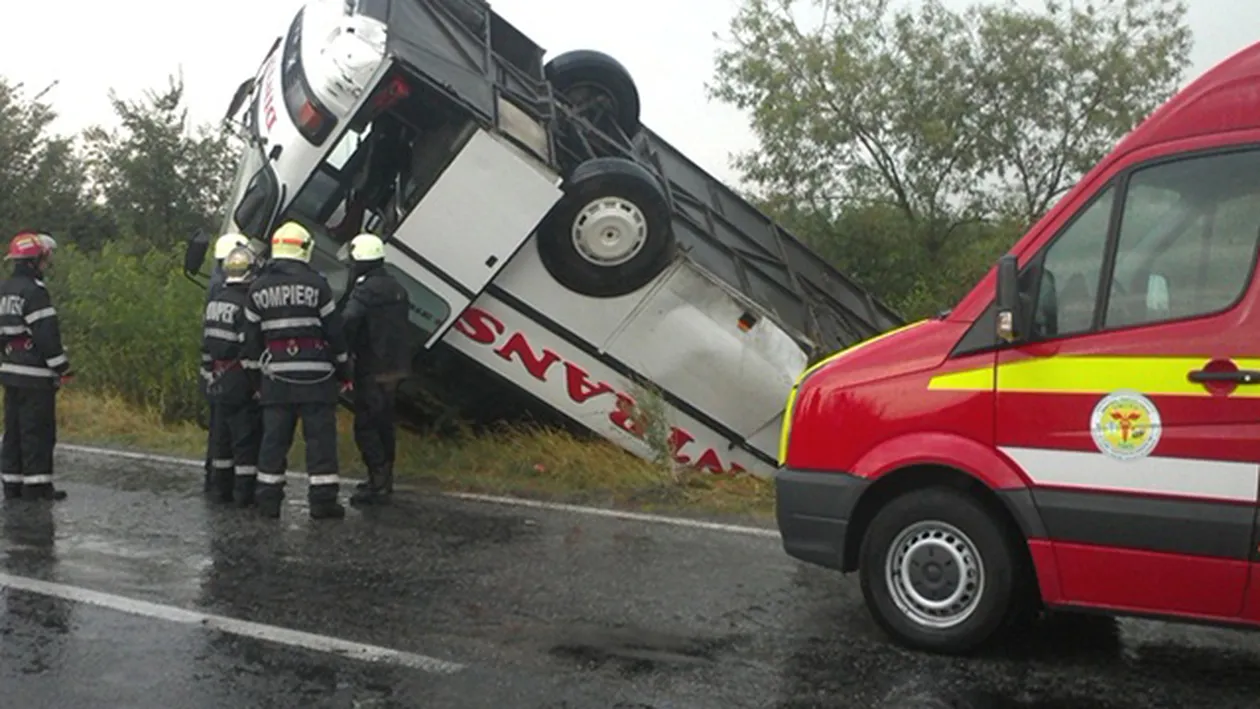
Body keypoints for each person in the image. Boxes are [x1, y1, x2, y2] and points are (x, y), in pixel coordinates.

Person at [243, 221, 352, 520]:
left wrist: (256, 381)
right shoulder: (318, 285)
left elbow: (250, 342)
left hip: (276, 379)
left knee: (273, 442)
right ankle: (323, 502)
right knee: (320, 442)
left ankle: (267, 502)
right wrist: (344, 370)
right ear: (305, 249)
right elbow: (335, 334)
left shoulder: (257, 288)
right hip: (317, 378)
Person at [336, 233, 411, 506]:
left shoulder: (366, 289)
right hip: (396, 367)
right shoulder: (396, 286)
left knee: (366, 425)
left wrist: (342, 351)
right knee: (384, 424)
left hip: (372, 367)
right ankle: (384, 478)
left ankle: (377, 482)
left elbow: (349, 320)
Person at [0, 232, 71, 502]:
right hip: (35, 374)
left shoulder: (4, 289)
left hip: (10, 371)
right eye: (44, 259)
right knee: (37, 431)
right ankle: (37, 487)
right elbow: (46, 336)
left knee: (14, 430)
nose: (46, 264)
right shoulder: (35, 292)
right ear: (34, 261)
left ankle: (12, 484)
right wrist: (62, 367)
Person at [200, 244, 263, 506]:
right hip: (239, 379)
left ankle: (219, 489)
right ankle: (244, 494)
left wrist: (206, 377)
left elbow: (205, 345)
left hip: (216, 376)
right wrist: (257, 384)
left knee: (220, 439)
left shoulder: (215, 301)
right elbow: (249, 348)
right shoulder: (246, 303)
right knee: (244, 439)